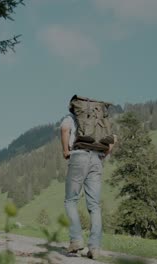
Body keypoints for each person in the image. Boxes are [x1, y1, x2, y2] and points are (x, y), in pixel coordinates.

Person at [60, 97, 116, 259]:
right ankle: (95, 248)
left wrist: (65, 151)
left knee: (71, 200)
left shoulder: (71, 117)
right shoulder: (101, 120)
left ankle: (76, 240)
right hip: (97, 159)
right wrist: (104, 155)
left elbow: (64, 129)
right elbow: (113, 140)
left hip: (78, 157)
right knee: (94, 205)